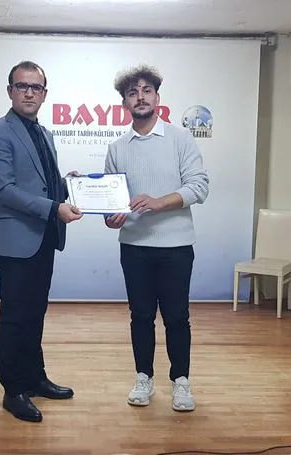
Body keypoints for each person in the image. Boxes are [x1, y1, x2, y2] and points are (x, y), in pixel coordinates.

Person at [0, 60, 83, 423]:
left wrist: (68, 185)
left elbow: (42, 184)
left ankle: (35, 378)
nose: (28, 93)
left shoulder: (45, 133)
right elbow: (6, 191)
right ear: (10, 91)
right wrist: (55, 207)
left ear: (44, 94)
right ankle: (13, 390)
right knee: (15, 317)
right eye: (21, 86)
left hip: (43, 239)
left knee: (36, 312)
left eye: (35, 87)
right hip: (15, 242)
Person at [103, 64, 209, 412]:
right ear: (125, 102)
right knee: (141, 316)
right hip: (134, 247)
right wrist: (112, 219)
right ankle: (143, 378)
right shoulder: (117, 147)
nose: (140, 97)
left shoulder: (180, 138)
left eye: (146, 90)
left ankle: (181, 380)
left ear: (157, 98)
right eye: (132, 93)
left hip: (176, 246)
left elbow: (199, 186)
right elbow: (112, 204)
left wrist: (158, 202)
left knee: (177, 317)